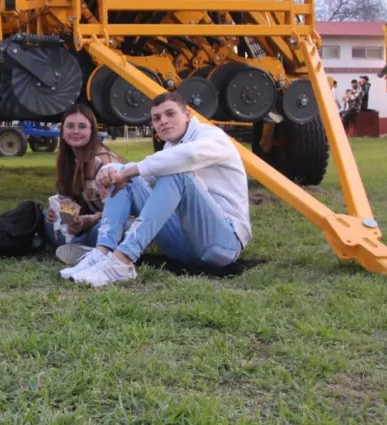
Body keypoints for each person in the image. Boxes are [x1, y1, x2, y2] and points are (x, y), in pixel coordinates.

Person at [61, 92, 251, 287]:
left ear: (187, 116)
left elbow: (188, 156)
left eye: (170, 114)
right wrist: (111, 171)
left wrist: (124, 173)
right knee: (122, 171)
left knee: (177, 173)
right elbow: (146, 172)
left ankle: (122, 260)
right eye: (157, 118)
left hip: (223, 244)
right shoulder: (171, 147)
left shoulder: (212, 136)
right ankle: (102, 252)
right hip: (184, 243)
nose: (164, 122)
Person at [44, 105, 125, 265]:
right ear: (62, 130)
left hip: (111, 223)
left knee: (100, 231)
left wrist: (85, 222)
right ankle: (79, 247)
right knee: (44, 218)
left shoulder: (104, 162)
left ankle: (86, 249)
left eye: (82, 126)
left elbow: (120, 211)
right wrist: (63, 217)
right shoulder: (67, 161)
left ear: (92, 131)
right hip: (85, 225)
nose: (75, 131)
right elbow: (69, 203)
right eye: (70, 126)